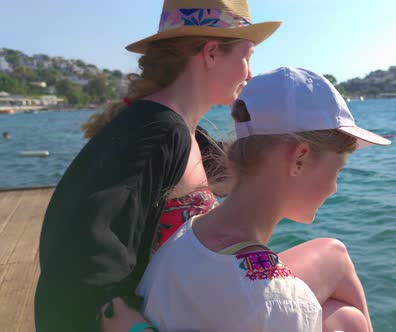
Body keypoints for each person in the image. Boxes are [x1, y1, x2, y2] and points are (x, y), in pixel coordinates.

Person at [34, 1, 281, 331]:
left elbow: (236, 176)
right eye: (247, 58)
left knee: (332, 263)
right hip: (155, 316)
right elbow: (81, 258)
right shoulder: (158, 132)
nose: (250, 74)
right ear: (210, 53)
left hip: (176, 304)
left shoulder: (184, 130)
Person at [136, 67, 391, 331]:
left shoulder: (185, 235)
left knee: (345, 318)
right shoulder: (280, 305)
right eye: (337, 170)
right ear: (299, 159)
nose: (334, 188)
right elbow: (270, 307)